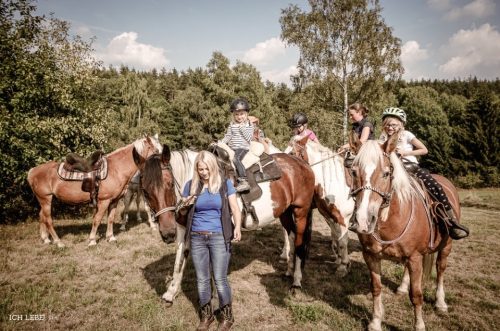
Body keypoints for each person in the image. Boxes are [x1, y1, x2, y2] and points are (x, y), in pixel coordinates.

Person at [379, 107, 469, 240]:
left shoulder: (407, 135)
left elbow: (424, 150)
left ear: (401, 124)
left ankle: (451, 221)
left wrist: (405, 153)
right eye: (387, 124)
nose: (390, 127)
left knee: (435, 186)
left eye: (393, 124)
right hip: (392, 169)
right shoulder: (382, 137)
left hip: (410, 167)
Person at [181, 151, 242, 331]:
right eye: (200, 169)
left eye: (207, 168)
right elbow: (182, 212)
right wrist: (185, 204)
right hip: (197, 237)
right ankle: (207, 315)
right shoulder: (191, 186)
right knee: (202, 279)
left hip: (218, 236)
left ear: (213, 167)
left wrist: (237, 227)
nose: (204, 172)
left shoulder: (224, 184)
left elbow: (235, 209)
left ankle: (227, 316)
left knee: (220, 278)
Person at [220, 98, 254, 192]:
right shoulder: (232, 125)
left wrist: (242, 128)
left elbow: (249, 138)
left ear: (246, 114)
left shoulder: (249, 125)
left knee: (236, 159)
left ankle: (244, 181)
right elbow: (228, 136)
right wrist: (221, 142)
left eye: (242, 114)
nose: (239, 117)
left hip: (242, 147)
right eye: (236, 114)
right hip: (232, 148)